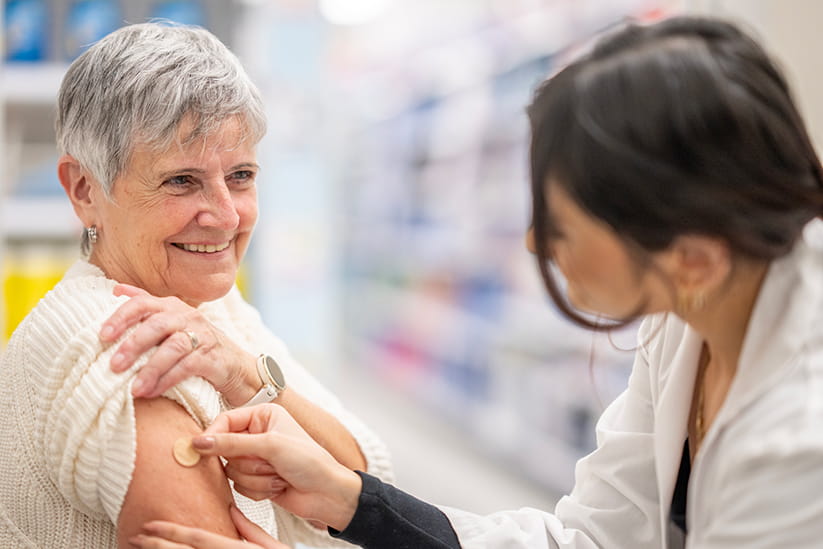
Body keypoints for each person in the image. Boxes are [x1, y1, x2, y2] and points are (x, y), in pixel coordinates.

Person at [128, 15, 823, 549]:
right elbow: (590, 537)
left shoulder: (800, 432)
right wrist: (349, 499)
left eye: (563, 225)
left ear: (690, 255)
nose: (534, 242)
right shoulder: (694, 307)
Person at [0, 22, 393, 548]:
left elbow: (368, 477)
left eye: (241, 176)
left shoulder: (211, 312)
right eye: (181, 180)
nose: (227, 217)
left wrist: (243, 373)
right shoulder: (125, 343)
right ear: (84, 188)